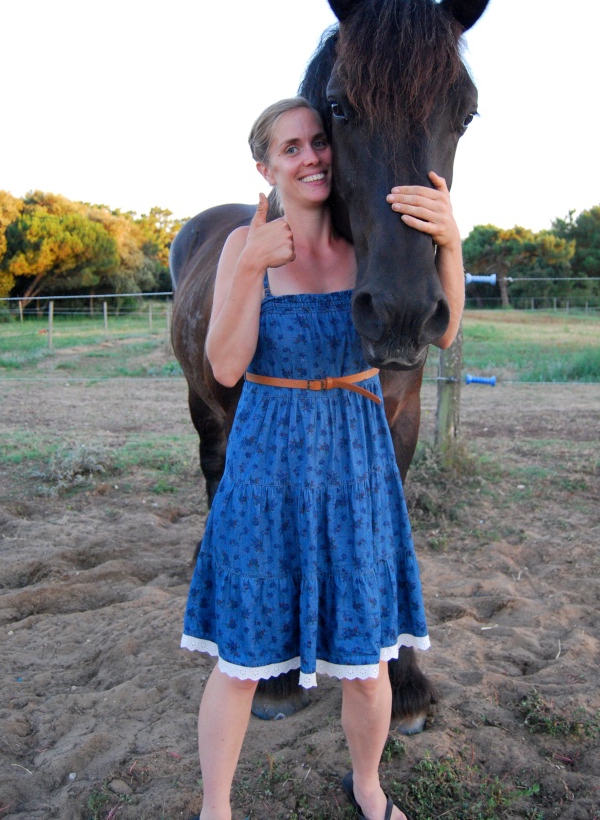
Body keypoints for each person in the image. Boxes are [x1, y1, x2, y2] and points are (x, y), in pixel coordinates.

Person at [181, 97, 464, 820]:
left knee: (370, 667)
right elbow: (223, 365)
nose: (310, 157)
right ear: (265, 167)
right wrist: (248, 272)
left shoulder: (367, 244)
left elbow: (444, 331)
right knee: (240, 664)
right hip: (266, 460)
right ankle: (217, 808)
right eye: (291, 148)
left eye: (318, 142)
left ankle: (368, 787)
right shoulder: (251, 250)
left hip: (357, 463)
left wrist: (451, 244)